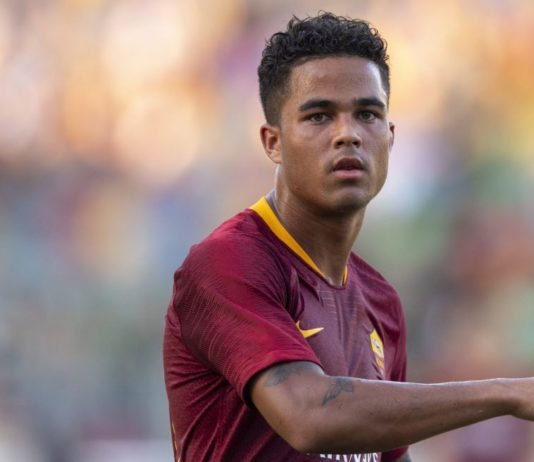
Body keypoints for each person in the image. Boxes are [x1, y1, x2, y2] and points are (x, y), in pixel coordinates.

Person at [163, 12, 534, 462]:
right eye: (319, 116)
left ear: (390, 137)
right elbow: (309, 417)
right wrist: (507, 393)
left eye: (367, 114)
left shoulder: (380, 300)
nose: (348, 134)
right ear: (272, 142)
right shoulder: (228, 263)